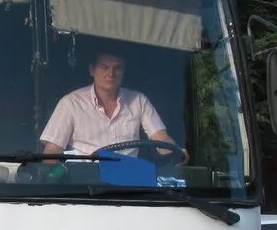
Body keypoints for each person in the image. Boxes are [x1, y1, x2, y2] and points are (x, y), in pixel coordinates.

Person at [40, 50, 188, 162]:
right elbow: (52, 151)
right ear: (92, 70)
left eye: (117, 68)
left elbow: (161, 138)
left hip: (130, 180)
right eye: (104, 67)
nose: (111, 73)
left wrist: (176, 154)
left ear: (124, 71)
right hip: (86, 181)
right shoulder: (71, 103)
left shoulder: (138, 100)